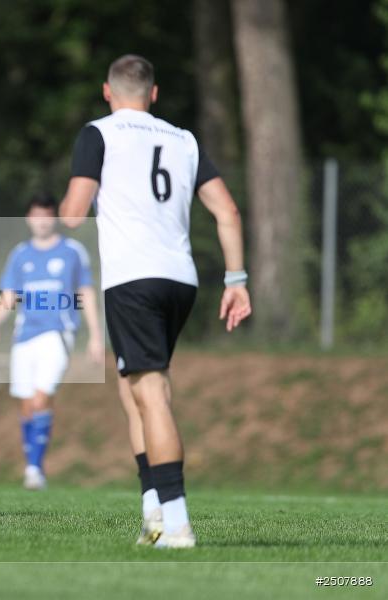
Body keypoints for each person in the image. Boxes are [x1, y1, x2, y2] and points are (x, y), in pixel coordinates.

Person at [60, 54, 252, 548]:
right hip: (180, 280)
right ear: (154, 93)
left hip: (133, 279)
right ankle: (153, 514)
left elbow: (74, 214)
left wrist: (66, 210)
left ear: (108, 92)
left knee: (151, 393)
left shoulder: (98, 133)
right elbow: (228, 211)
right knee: (134, 390)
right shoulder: (184, 139)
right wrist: (236, 279)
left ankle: (177, 523)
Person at [0, 193, 104, 490]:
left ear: (55, 218)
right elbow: (9, 294)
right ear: (28, 218)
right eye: (37, 215)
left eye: (47, 215)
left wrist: (95, 335)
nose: (42, 221)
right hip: (24, 336)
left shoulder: (72, 252)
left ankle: (35, 469)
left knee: (40, 398)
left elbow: (86, 293)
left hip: (57, 334)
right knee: (26, 405)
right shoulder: (20, 254)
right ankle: (32, 467)